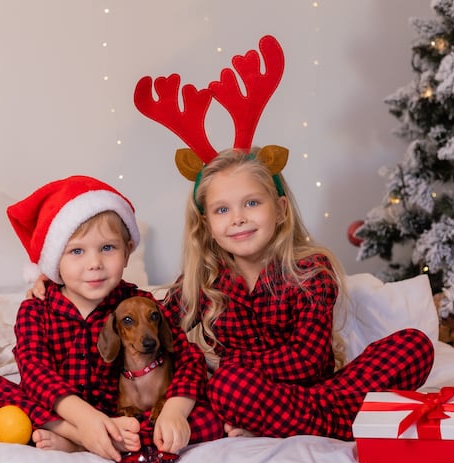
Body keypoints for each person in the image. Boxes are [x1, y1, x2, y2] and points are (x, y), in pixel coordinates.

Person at [161, 148, 435, 440]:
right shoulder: (201, 281)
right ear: (206, 224)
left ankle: (281, 423)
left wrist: (228, 365)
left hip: (317, 390)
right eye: (222, 210)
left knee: (414, 346)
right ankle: (342, 423)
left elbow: (308, 360)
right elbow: (153, 325)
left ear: (281, 209)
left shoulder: (310, 271)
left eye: (251, 203)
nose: (238, 218)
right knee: (227, 387)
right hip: (247, 394)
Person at [0, 175, 223, 463]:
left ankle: (103, 438)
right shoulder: (36, 309)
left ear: (128, 251)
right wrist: (84, 422)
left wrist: (174, 411)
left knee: (212, 416)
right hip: (57, 412)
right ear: (55, 260)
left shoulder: (136, 303)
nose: (94, 263)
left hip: (119, 415)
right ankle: (78, 437)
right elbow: (34, 371)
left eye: (107, 248)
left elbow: (189, 357)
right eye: (77, 251)